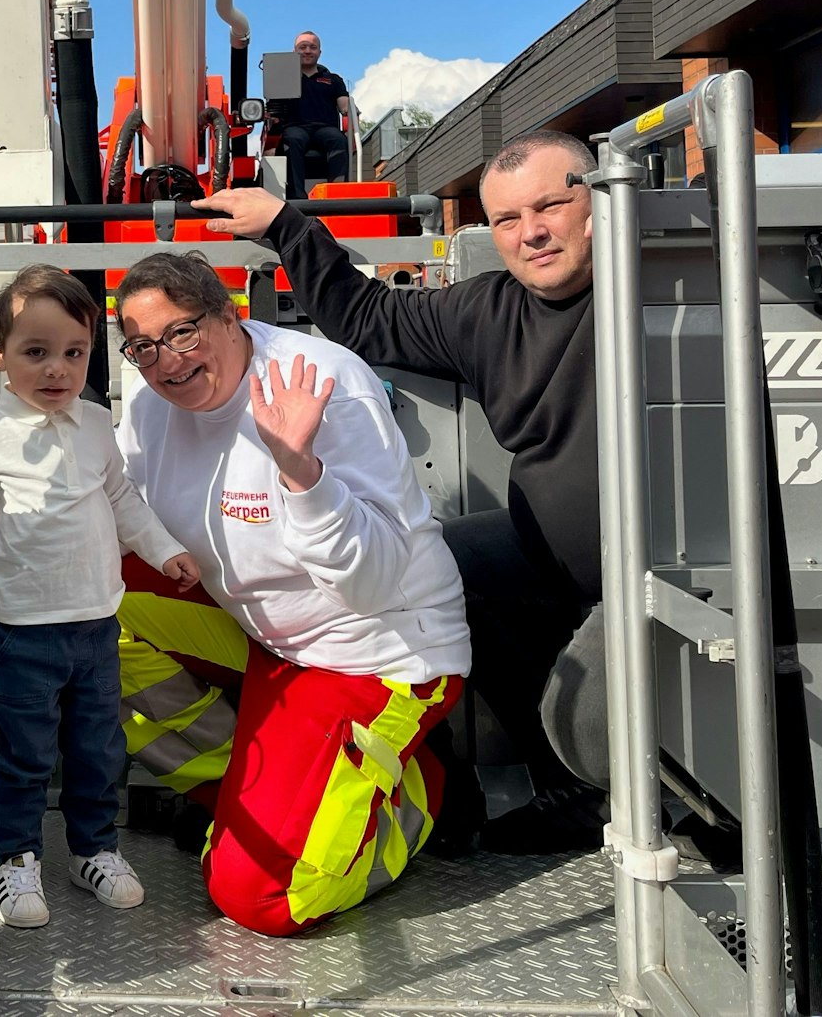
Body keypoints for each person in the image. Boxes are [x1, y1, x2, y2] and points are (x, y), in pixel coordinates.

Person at [192, 130, 614, 855]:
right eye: (508, 219)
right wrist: (287, 223)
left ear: (601, 197)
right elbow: (367, 317)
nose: (532, 232)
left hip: (662, 572)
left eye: (551, 204)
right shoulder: (487, 311)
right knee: (440, 567)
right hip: (553, 552)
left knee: (603, 703)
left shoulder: (671, 279)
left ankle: (628, 785)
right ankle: (553, 783)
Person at [106, 251, 471, 936]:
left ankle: (415, 798)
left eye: (183, 332)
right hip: (269, 641)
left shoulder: (323, 383)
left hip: (374, 651)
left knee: (256, 894)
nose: (167, 362)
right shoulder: (155, 408)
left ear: (228, 312)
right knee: (88, 605)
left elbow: (376, 577)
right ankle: (245, 792)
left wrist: (302, 474)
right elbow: (127, 507)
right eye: (144, 347)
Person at [0, 264, 200, 929]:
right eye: (35, 352)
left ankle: (94, 849)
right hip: (23, 631)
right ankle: (16, 860)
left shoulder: (96, 425)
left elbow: (124, 501)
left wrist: (165, 550)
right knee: (24, 753)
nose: (56, 368)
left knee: (99, 750)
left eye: (73, 352)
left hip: (96, 628)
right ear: (0, 356)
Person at [268, 30, 352, 200]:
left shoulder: (333, 79)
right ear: (294, 52)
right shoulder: (283, 79)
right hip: (295, 127)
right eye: (303, 47)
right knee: (292, 140)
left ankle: (337, 194)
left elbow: (344, 104)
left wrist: (350, 110)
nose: (307, 51)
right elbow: (273, 109)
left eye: (312, 47)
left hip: (325, 128)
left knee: (338, 140)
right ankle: (298, 197)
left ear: (319, 52)